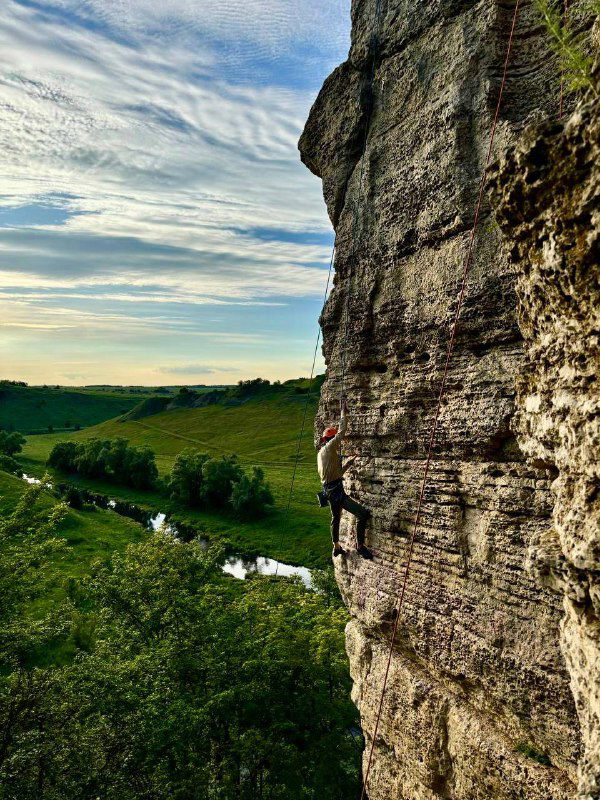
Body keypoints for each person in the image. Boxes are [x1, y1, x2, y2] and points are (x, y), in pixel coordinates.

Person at [317, 399, 373, 559]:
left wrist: (348, 463)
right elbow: (341, 432)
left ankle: (336, 547)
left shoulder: (321, 454)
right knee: (362, 514)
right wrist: (343, 412)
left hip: (329, 491)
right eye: (333, 439)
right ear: (330, 440)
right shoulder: (329, 448)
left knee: (335, 518)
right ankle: (360, 546)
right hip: (336, 492)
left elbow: (336, 473)